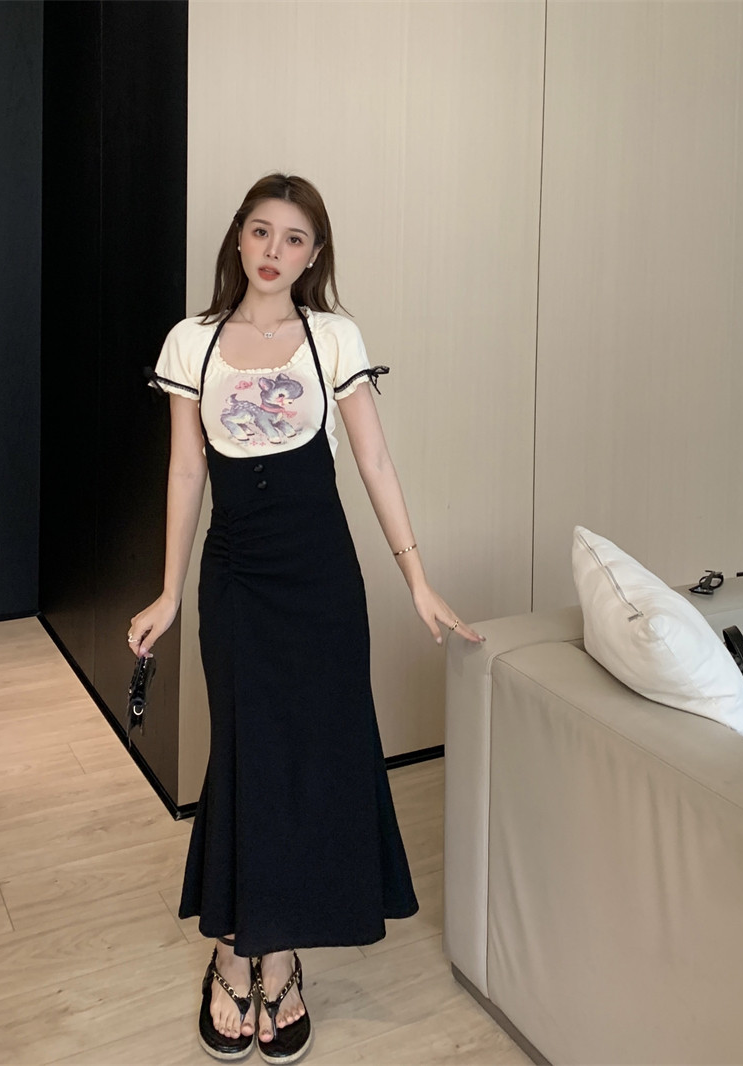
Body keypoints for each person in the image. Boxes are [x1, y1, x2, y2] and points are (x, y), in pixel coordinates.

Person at [128, 173, 484, 1064]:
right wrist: (169, 592)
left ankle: (280, 957)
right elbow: (185, 472)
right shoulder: (192, 341)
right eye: (261, 232)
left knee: (315, 756)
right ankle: (230, 953)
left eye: (294, 238)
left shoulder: (334, 337)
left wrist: (417, 578)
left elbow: (373, 461)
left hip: (321, 577)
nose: (274, 251)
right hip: (237, 576)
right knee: (245, 754)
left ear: (313, 255)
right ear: (238, 239)